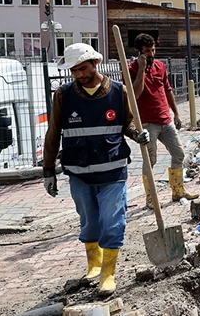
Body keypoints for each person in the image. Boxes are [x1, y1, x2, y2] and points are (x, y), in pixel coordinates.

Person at [42, 43, 149, 296]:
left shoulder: (119, 91)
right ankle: (94, 265)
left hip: (113, 170)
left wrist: (137, 134)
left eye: (83, 68)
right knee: (89, 223)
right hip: (78, 172)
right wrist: (48, 170)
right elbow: (53, 132)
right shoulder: (63, 95)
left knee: (112, 222)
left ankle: (108, 274)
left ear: (95, 63)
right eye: (74, 70)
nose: (79, 74)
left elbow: (128, 122)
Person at [129, 33, 199, 209]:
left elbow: (168, 90)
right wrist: (141, 69)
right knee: (150, 160)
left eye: (153, 50)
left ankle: (178, 190)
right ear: (138, 52)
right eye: (147, 51)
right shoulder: (131, 69)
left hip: (165, 120)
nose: (151, 54)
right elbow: (135, 94)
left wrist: (176, 113)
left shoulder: (160, 66)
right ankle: (151, 198)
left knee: (179, 154)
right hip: (147, 123)